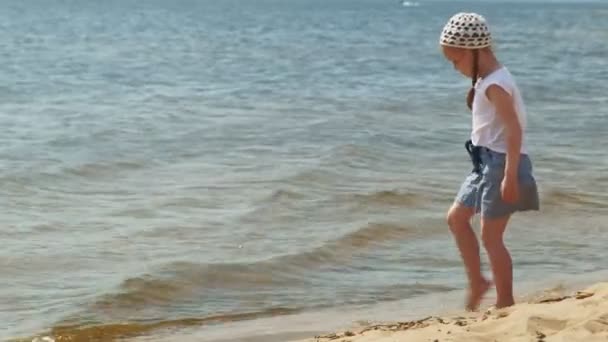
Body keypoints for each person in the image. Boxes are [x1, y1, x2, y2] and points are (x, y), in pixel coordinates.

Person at [439, 12, 540, 311]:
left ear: (473, 51)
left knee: (491, 237)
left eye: (455, 61)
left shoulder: (496, 83)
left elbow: (514, 129)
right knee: (456, 218)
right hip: (483, 164)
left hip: (501, 164)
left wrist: (509, 176)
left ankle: (505, 302)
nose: (455, 68)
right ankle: (477, 282)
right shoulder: (487, 81)